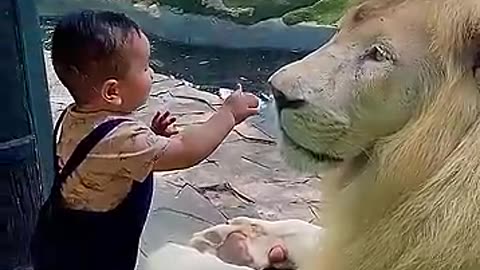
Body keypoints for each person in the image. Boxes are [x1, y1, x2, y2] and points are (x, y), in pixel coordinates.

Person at [30, 9, 269, 270]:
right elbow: (186, 150)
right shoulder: (124, 140)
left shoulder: (74, 116)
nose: (152, 72)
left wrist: (152, 139)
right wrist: (229, 114)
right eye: (145, 67)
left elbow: (108, 157)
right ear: (112, 91)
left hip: (58, 239)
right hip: (93, 256)